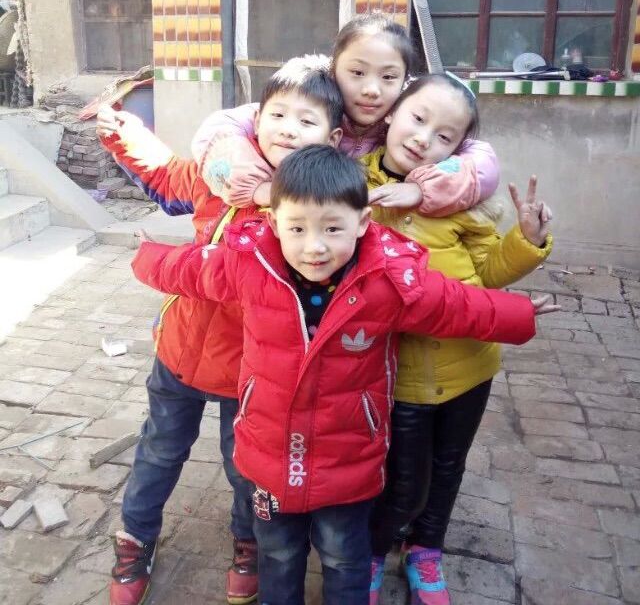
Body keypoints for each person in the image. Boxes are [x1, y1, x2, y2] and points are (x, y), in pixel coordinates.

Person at [131, 145, 556, 605]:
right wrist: (146, 256)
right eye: (297, 228)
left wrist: (516, 313)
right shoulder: (248, 263)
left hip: (349, 461)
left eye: (333, 228)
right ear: (273, 222)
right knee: (277, 556)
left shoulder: (389, 280)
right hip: (268, 455)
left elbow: (453, 305)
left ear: (363, 223)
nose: (314, 246)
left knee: (343, 559)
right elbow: (190, 269)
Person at [96, 55, 343, 605]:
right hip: (180, 350)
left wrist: (272, 201)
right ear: (257, 118)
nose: (288, 130)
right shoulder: (224, 172)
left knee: (243, 466)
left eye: (307, 121)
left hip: (250, 370)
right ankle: (135, 539)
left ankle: (247, 544)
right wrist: (125, 133)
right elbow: (169, 174)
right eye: (278, 115)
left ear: (332, 137)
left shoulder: (315, 213)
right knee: (159, 451)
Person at [363, 73, 554, 605]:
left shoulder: (463, 202)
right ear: (391, 113)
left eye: (444, 136)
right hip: (396, 374)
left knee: (448, 467)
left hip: (470, 366)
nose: (424, 138)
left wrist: (526, 240)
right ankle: (372, 553)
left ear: (459, 149)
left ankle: (426, 551)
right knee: (400, 480)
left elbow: (488, 272)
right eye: (417, 118)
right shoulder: (356, 187)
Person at [192, 13, 499, 217]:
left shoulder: (407, 120)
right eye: (357, 72)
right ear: (333, 68)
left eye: (388, 77)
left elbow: (482, 162)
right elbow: (215, 131)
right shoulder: (307, 105)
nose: (372, 90)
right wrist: (259, 187)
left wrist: (422, 189)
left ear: (404, 81)